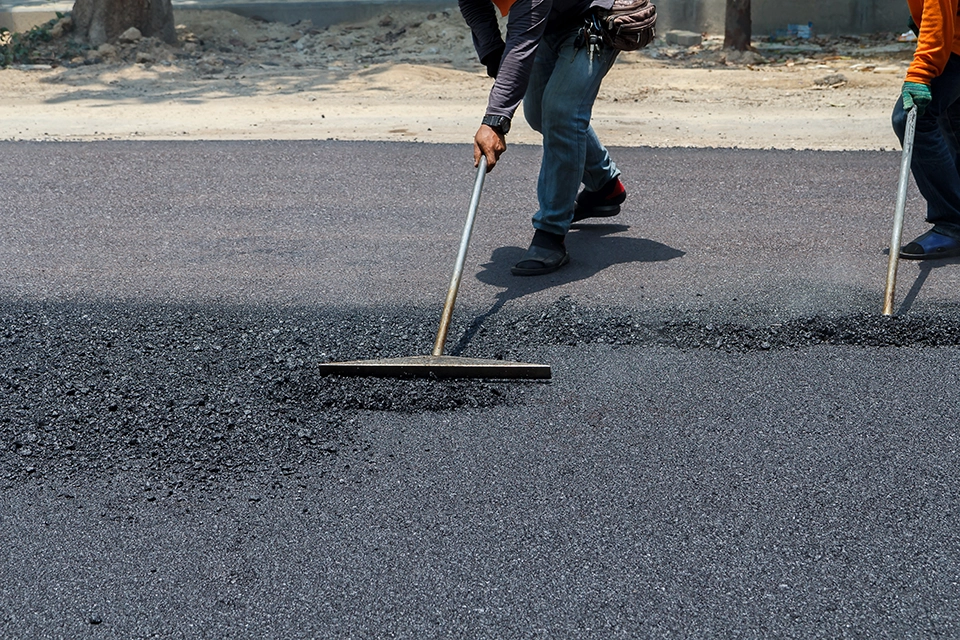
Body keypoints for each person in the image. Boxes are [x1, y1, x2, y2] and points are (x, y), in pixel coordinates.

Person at [459, 0, 626, 275]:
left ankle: (550, 234)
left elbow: (522, 42)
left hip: (594, 16)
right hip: (551, 20)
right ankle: (605, 186)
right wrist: (492, 53)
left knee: (562, 113)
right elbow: (473, 3)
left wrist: (495, 121)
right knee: (538, 113)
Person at [893, 2, 960, 259]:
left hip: (954, 46)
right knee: (954, 123)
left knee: (912, 119)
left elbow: (937, 11)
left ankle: (952, 224)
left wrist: (921, 73)